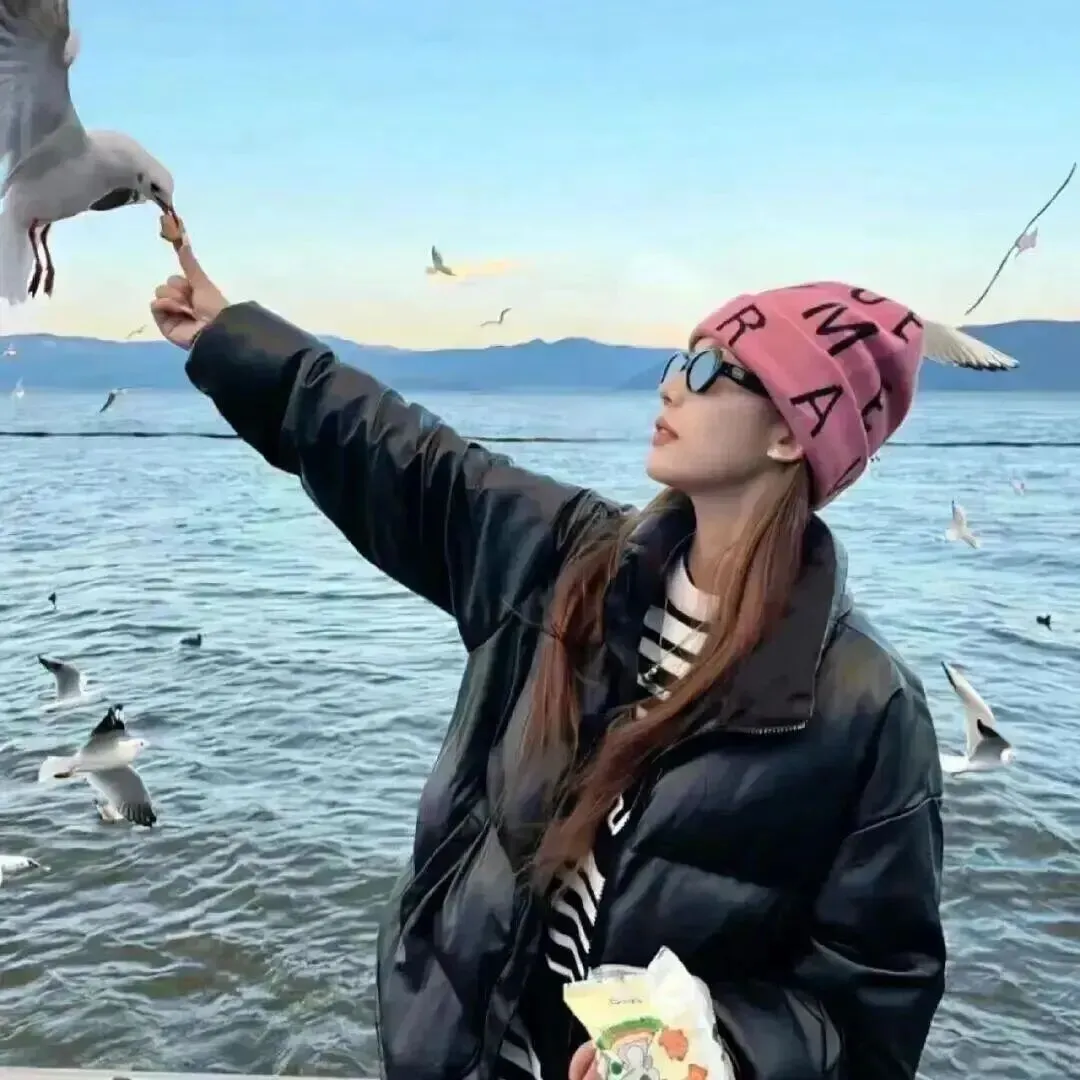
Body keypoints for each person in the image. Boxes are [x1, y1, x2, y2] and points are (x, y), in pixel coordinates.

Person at [151, 228, 947, 1080]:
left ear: (791, 434)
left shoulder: (867, 708)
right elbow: (407, 460)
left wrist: (719, 1052)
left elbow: (872, 1000)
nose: (671, 384)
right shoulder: (570, 561)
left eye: (710, 371)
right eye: (680, 359)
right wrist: (231, 338)